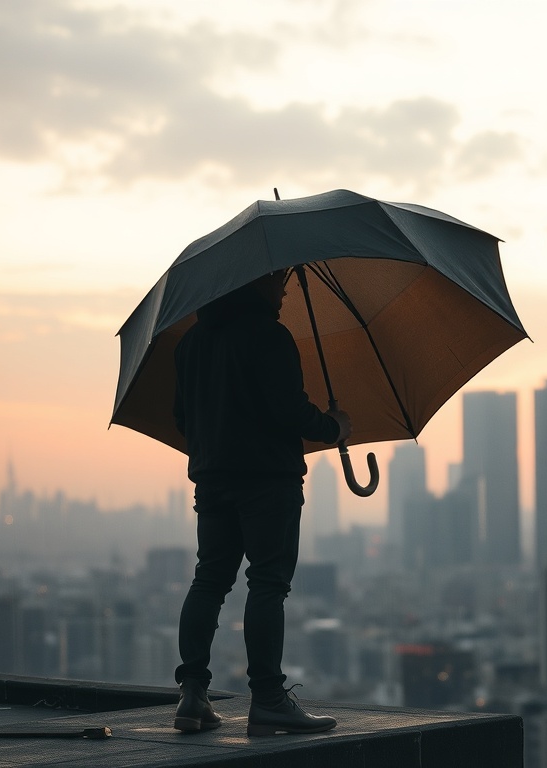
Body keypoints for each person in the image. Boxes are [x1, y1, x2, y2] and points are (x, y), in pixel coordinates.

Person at [171, 268, 351, 736]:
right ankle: (269, 698)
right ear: (253, 279)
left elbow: (182, 418)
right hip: (268, 481)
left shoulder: (191, 342)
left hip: (212, 480)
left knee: (209, 580)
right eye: (277, 278)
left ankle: (192, 694)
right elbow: (290, 411)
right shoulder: (270, 336)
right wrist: (333, 426)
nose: (285, 286)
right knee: (268, 584)